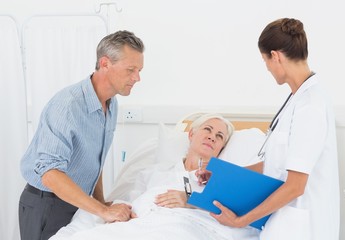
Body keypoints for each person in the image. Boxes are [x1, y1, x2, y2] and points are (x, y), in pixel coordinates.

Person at [197, 18, 339, 240]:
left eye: (265, 60)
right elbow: (275, 165)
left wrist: (240, 221)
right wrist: (222, 175)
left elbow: (295, 186)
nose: (267, 68)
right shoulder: (296, 100)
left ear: (276, 56)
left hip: (303, 229)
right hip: (283, 225)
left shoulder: (311, 106)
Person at [50, 113, 260, 240]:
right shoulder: (154, 173)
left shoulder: (225, 179)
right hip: (142, 225)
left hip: (183, 228)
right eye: (208, 129)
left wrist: (190, 200)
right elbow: (131, 203)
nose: (212, 137)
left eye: (219, 136)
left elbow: (239, 214)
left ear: (222, 147)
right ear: (191, 134)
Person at [18, 30, 145, 240]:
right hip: (47, 205)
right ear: (105, 64)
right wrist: (102, 210)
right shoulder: (67, 106)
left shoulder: (111, 105)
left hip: (79, 203)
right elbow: (50, 173)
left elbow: (94, 160)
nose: (137, 78)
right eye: (131, 69)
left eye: (139, 70)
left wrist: (101, 202)